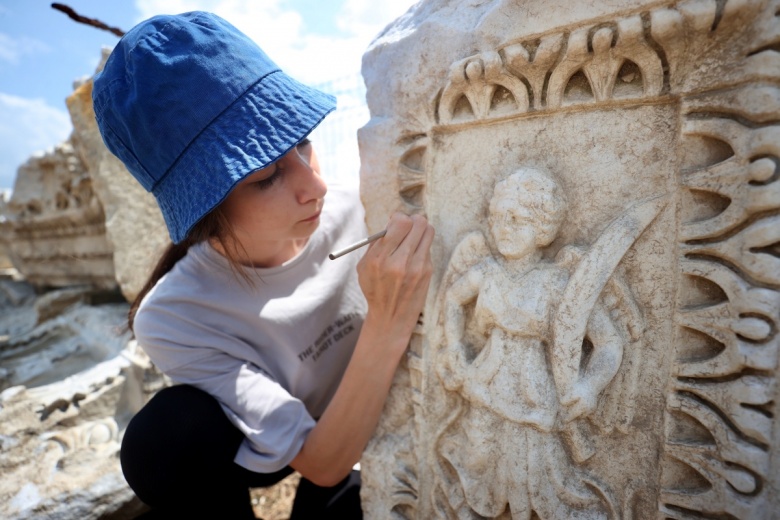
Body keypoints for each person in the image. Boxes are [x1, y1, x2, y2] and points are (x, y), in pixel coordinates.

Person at [92, 11, 434, 519]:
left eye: (303, 143)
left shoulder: (356, 208)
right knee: (165, 440)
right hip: (268, 447)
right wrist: (389, 319)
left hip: (358, 410)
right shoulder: (173, 315)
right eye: (267, 175)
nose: (315, 187)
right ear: (206, 207)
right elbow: (320, 462)